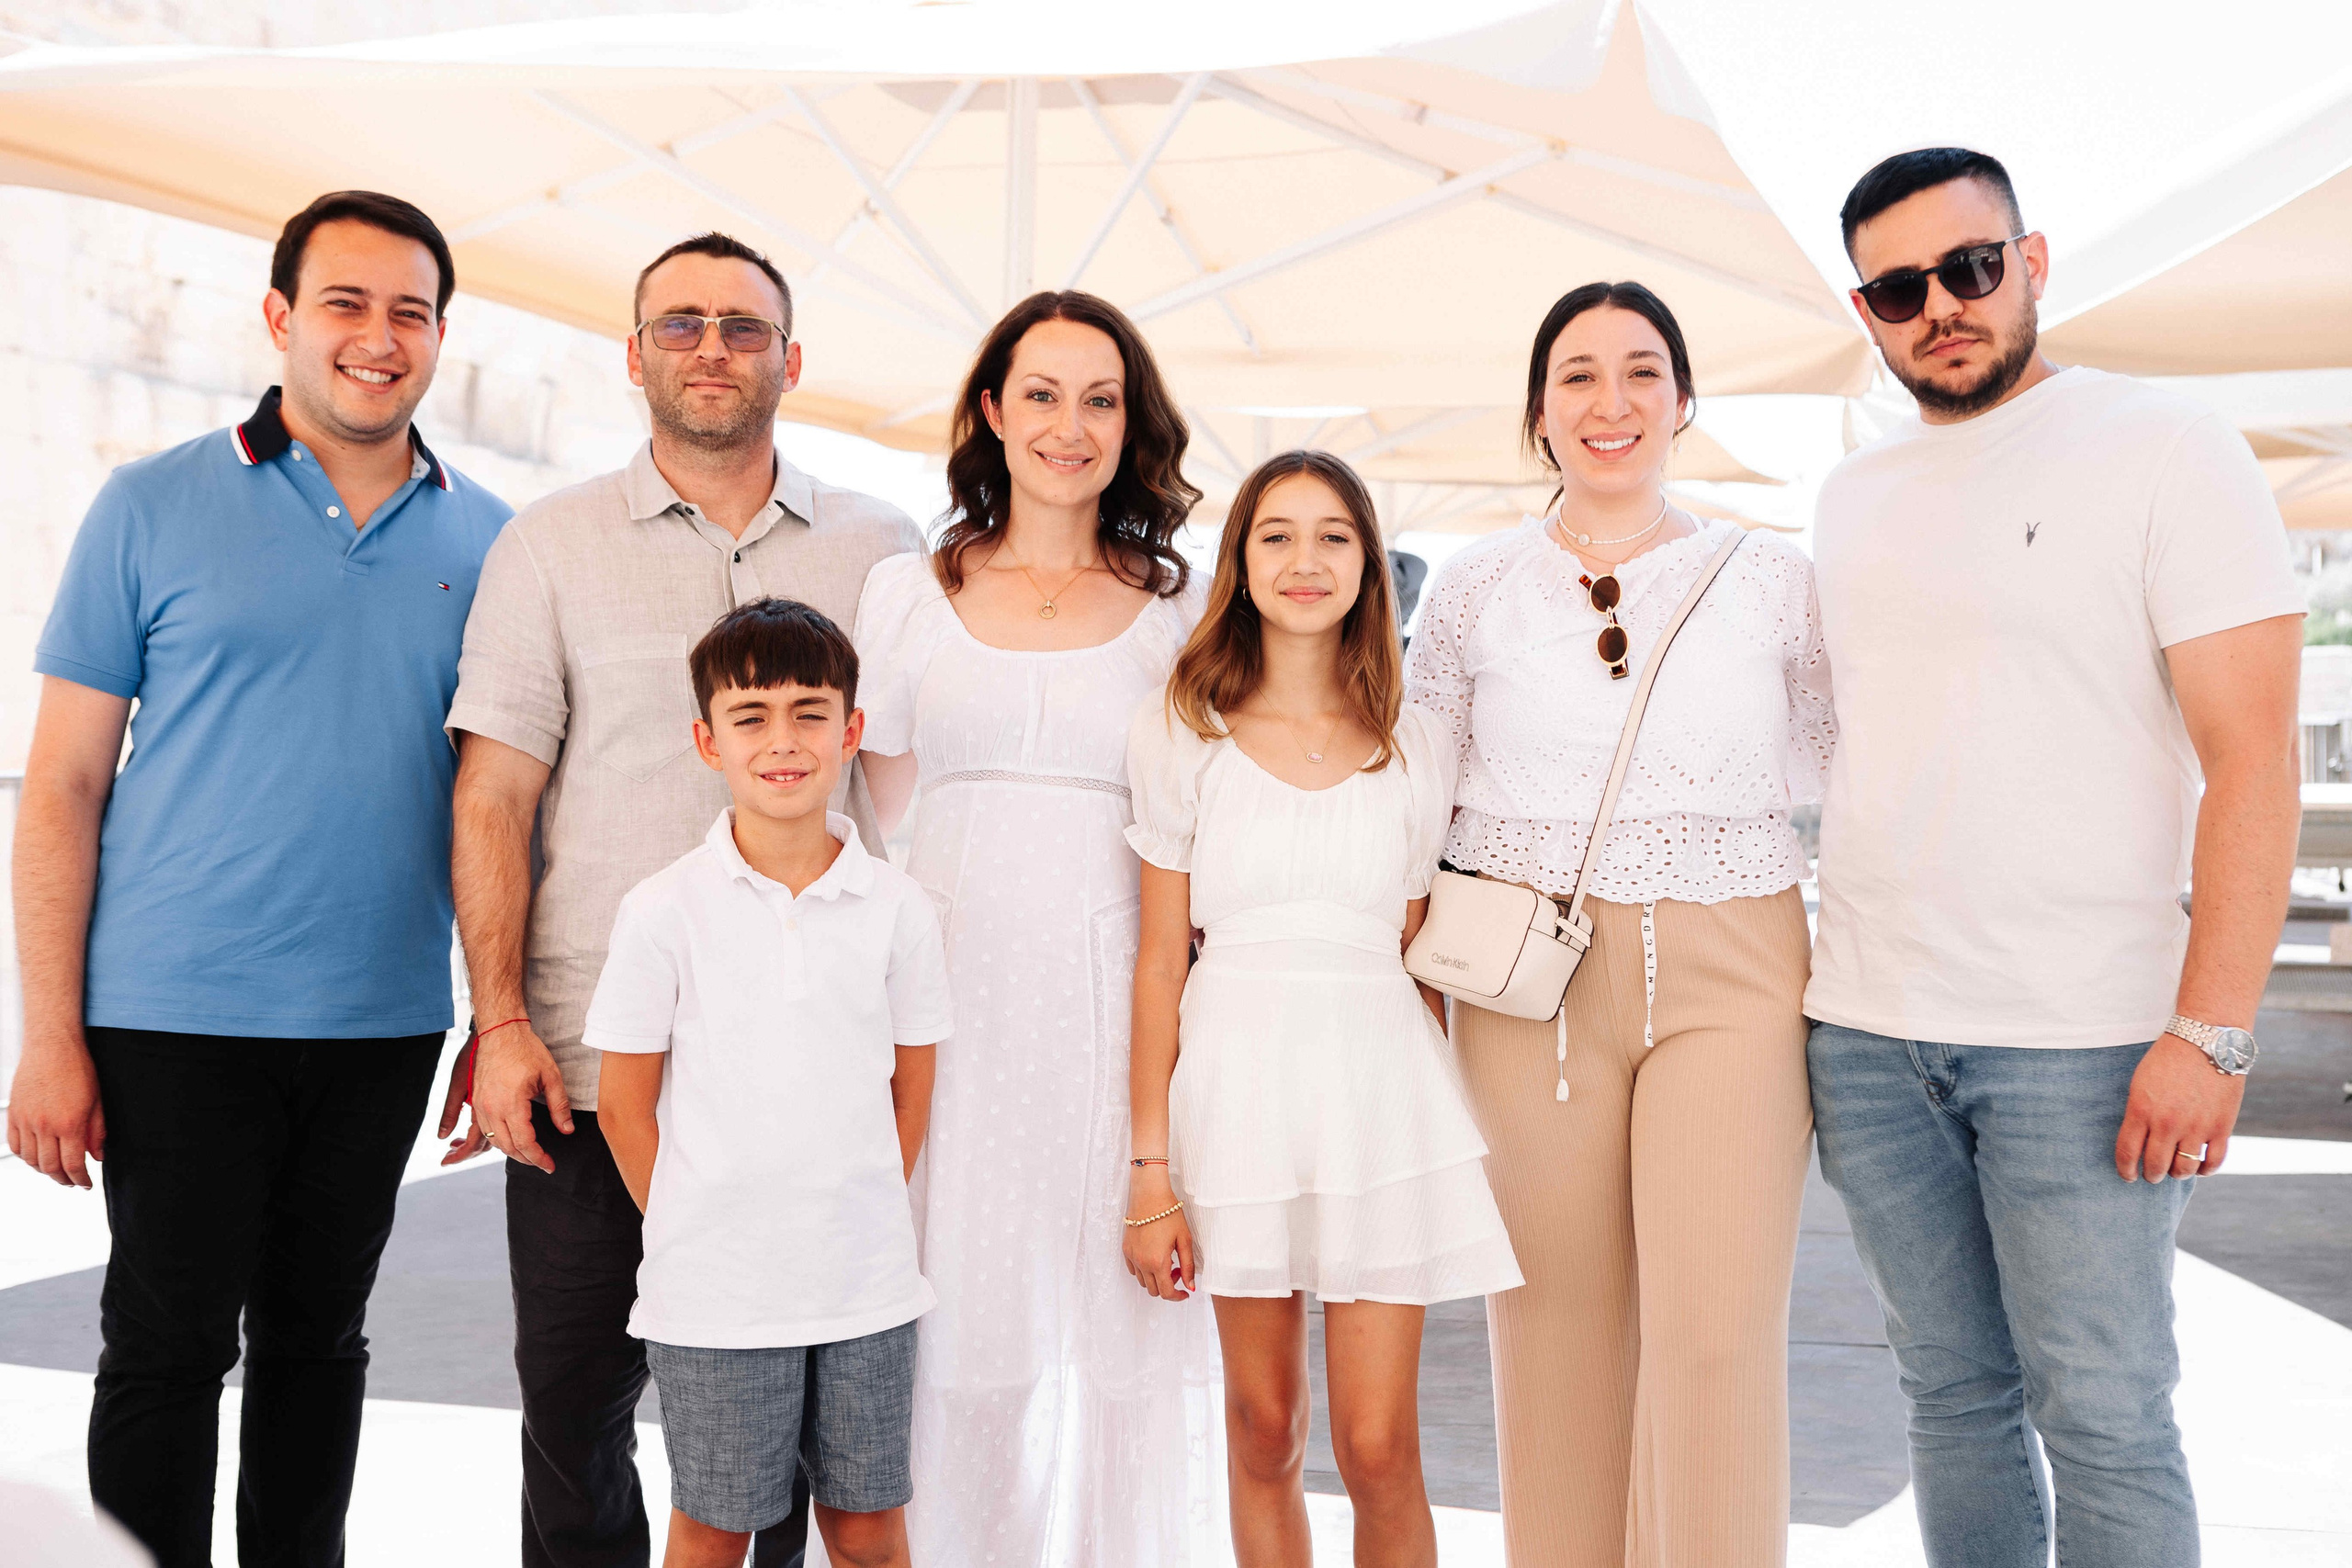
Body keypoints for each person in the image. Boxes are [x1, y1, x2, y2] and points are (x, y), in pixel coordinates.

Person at [1808, 148, 2303, 1568]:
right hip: (1869, 1032)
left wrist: (2211, 1030)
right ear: (1867, 309)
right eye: (1901, 288)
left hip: (2084, 1042)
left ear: (2029, 260)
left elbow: (2254, 758)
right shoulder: (1852, 497)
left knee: (2103, 1412)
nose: (1940, 307)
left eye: (1968, 267)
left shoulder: (2165, 445)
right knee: (1949, 1397)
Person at [5, 190, 510, 1568]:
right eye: (345, 302)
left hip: (381, 1018)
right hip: (172, 1011)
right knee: (164, 1349)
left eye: (409, 311)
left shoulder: (493, 539)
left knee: (319, 1344)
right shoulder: (150, 502)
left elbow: (500, 799)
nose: (377, 335)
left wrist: (493, 1013)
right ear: (283, 317)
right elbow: (60, 787)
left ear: (440, 337)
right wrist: (47, 1034)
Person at [443, 231, 922, 1568]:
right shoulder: (547, 546)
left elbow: (913, 791)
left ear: (792, 357)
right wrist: (495, 1023)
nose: (713, 345)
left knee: (780, 1443)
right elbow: (493, 795)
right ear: (637, 351)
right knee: (578, 1409)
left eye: (744, 325)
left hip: (809, 1081)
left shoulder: (885, 546)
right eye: (683, 322)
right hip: (593, 1068)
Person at [1405, 281, 1836, 1567]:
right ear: (1538, 410)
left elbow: (1848, 764)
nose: (1612, 401)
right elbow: (1415, 788)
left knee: (1716, 1331)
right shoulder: (1475, 588)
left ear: (1685, 402)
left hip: (1737, 962)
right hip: (1523, 978)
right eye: (1579, 374)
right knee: (1553, 1326)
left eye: (1643, 371)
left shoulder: (1772, 577)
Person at [852, 290, 1225, 1564]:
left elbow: (1209, 825)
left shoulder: (1181, 607)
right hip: (947, 1001)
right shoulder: (906, 590)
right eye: (1046, 393)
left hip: (1117, 997)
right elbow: (872, 807)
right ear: (994, 411)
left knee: (1120, 1349)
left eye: (1102, 397)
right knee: (961, 1340)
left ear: (1134, 424)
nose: (1072, 424)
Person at [1123, 450, 1522, 1568]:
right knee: (1262, 1430)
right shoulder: (1182, 728)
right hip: (1234, 1094)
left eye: (1334, 536)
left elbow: (1417, 955)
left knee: (1379, 1440)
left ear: (1368, 566)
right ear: (1239, 563)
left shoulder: (1416, 743)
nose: (1305, 561)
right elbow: (1161, 961)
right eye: (1277, 535)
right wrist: (1149, 1176)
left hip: (1378, 1099)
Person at [589, 598, 950, 1568]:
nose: (782, 741)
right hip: (715, 1294)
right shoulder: (662, 909)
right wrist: (697, 1228)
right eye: (751, 718)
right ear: (707, 741)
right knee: (713, 1530)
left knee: (870, 1530)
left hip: (865, 1286)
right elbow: (623, 1106)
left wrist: (850, 1210)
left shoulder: (899, 909)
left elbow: (910, 1093)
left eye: (808, 712)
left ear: (852, 730)